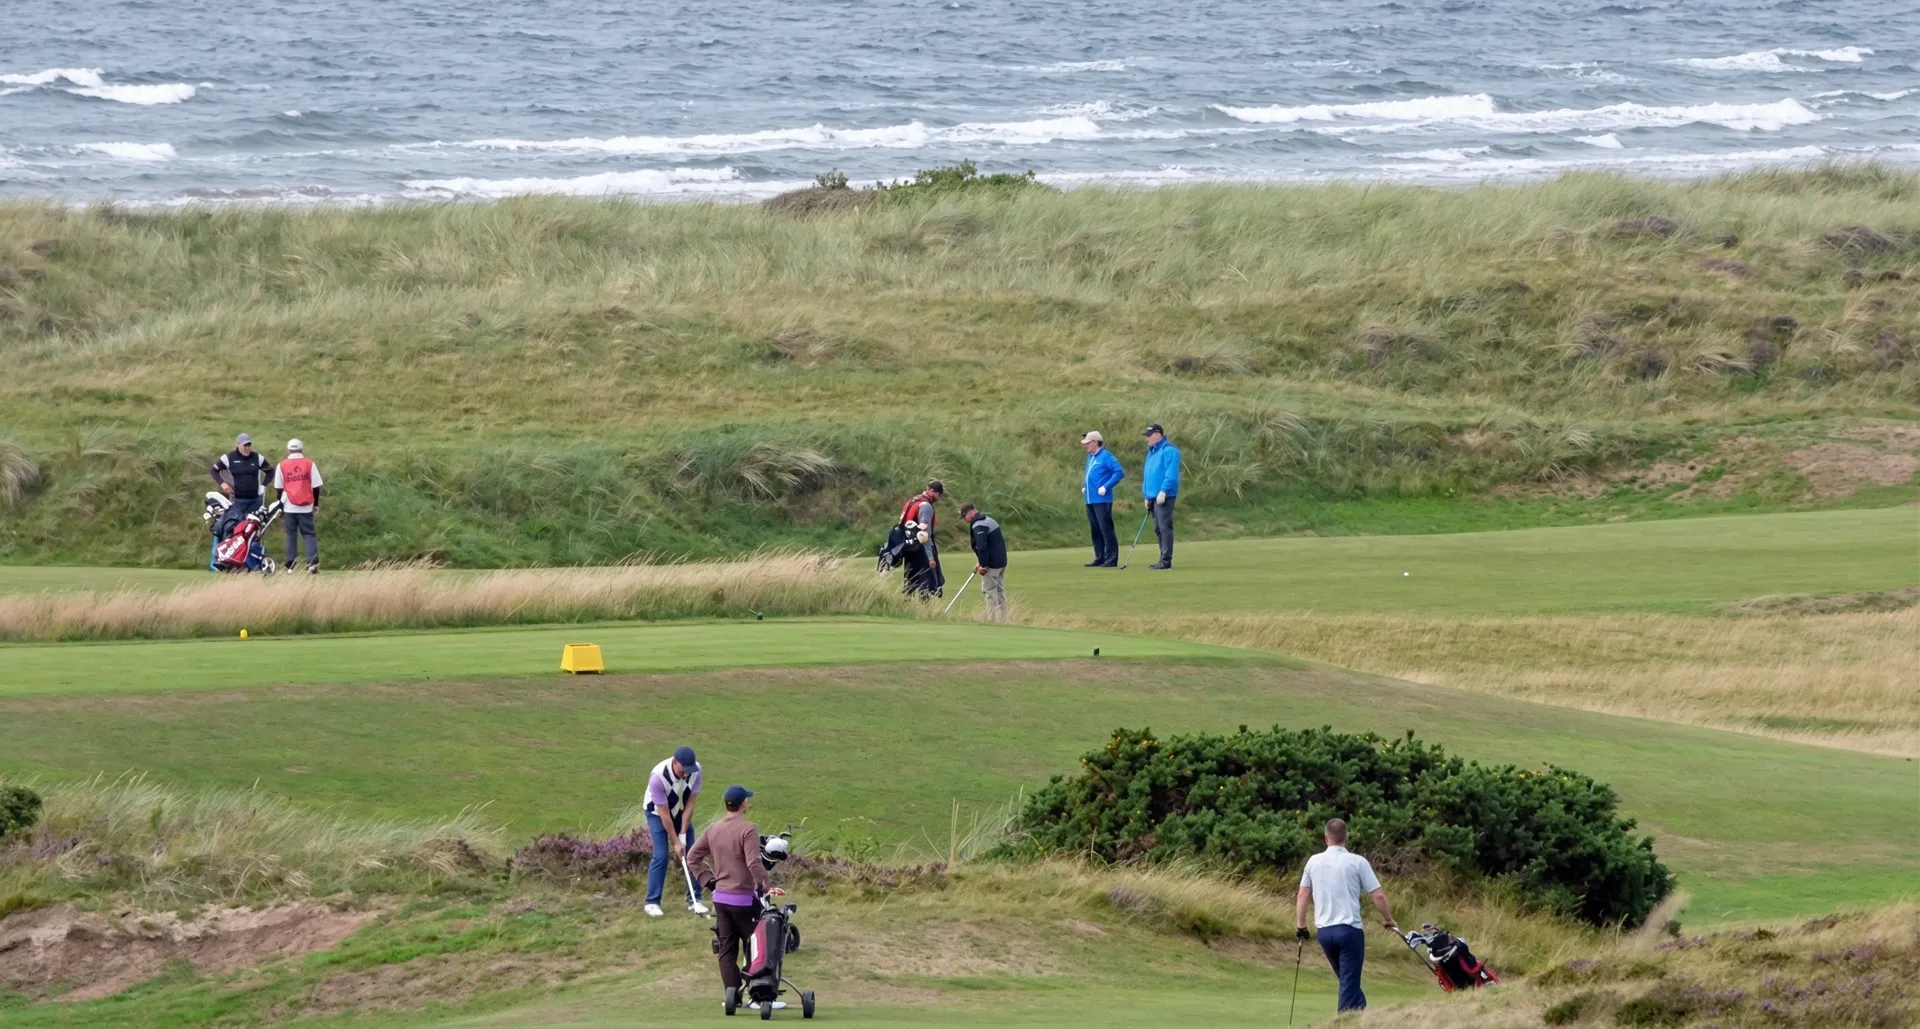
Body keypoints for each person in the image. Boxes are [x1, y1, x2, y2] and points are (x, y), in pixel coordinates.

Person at [686, 784, 786, 1005]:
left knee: (727, 950)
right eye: (747, 800)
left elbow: (692, 857)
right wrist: (767, 885)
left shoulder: (713, 829)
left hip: (720, 900)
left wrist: (709, 882)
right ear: (742, 804)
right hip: (743, 900)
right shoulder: (748, 829)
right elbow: (753, 862)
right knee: (756, 946)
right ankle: (758, 998)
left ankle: (733, 997)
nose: (748, 803)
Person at [1296, 818, 1398, 1013]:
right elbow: (1377, 895)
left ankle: (1364, 1018)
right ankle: (1344, 1022)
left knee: (1347, 981)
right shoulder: (1357, 862)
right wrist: (1388, 919)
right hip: (1349, 932)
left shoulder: (1313, 861)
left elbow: (1302, 894)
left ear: (1326, 837)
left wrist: (1301, 926)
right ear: (1347, 837)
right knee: (1348, 983)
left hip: (1324, 932)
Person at [643, 745, 708, 917]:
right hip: (657, 813)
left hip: (680, 811)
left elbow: (691, 804)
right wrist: (676, 841)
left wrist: (684, 834)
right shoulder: (658, 777)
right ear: (675, 762)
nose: (686, 773)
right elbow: (664, 815)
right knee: (661, 855)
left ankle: (695, 900)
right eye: (683, 769)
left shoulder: (696, 771)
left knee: (693, 853)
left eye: (689, 770)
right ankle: (652, 902)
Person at [272, 439, 324, 574]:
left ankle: (290, 564)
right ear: (301, 449)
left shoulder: (282, 465)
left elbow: (278, 488)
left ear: (289, 450)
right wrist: (316, 503)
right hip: (306, 506)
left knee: (291, 535)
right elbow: (316, 486)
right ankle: (312, 562)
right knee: (309, 534)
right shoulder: (309, 463)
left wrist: (280, 507)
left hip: (289, 506)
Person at [1140, 423, 1182, 570]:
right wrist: (1146, 495)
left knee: (1164, 527)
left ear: (1158, 435)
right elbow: (1148, 476)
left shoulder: (1169, 451)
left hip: (1164, 495)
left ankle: (1166, 560)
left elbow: (1171, 474)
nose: (1147, 439)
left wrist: (1163, 490)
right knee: (1158, 528)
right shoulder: (1151, 452)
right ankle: (1162, 558)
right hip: (1152, 496)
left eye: (1149, 436)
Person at [1080, 431, 1124, 567]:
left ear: (1095, 442)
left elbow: (1119, 472)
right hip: (1090, 499)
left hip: (1102, 499)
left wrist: (1106, 486)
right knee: (1095, 530)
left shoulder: (1106, 456)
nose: (1086, 445)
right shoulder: (1090, 456)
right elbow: (1088, 473)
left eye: (1088, 443)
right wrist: (1084, 485)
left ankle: (1111, 558)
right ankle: (1100, 556)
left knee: (1105, 529)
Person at [959, 503, 1008, 622]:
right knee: (999, 591)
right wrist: (979, 561)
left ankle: (992, 620)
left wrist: (983, 565)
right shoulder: (989, 520)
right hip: (1001, 561)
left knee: (990, 591)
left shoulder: (979, 524)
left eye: (964, 516)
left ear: (970, 513)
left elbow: (982, 547)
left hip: (992, 564)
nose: (965, 520)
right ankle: (1004, 619)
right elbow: (990, 545)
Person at [898, 479, 946, 597]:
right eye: (938, 494)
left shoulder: (913, 501)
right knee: (927, 583)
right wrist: (930, 558)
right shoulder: (926, 506)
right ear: (931, 491)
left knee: (911, 581)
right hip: (920, 548)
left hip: (909, 546)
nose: (939, 498)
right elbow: (924, 534)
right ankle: (925, 611)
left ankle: (907, 608)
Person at [210, 433, 273, 519]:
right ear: (238, 444)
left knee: (254, 530)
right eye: (245, 445)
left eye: (249, 445)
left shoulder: (257, 458)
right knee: (236, 528)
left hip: (255, 501)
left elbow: (270, 471)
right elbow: (214, 470)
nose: (247, 448)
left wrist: (263, 485)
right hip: (237, 501)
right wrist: (223, 484)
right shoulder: (229, 457)